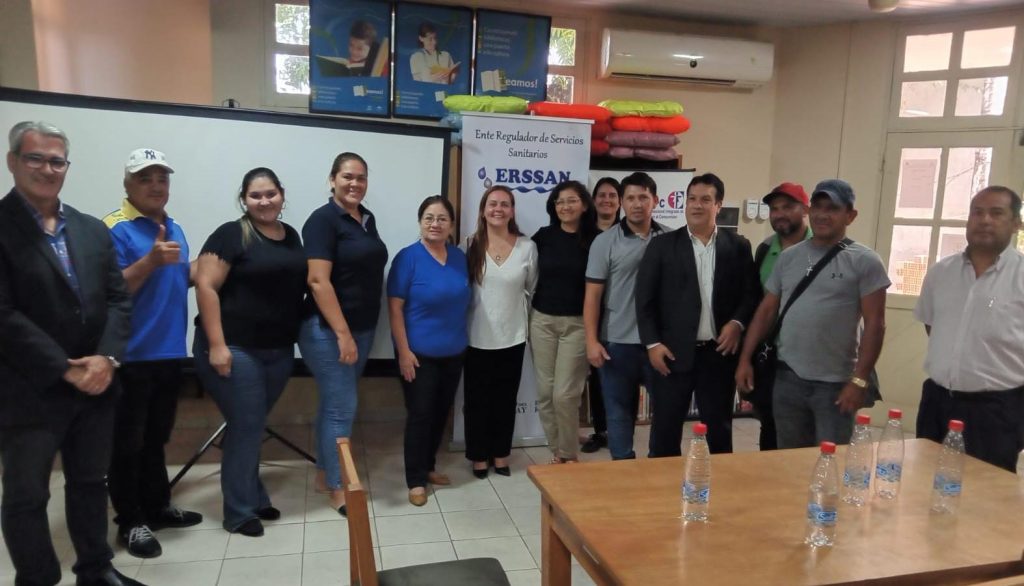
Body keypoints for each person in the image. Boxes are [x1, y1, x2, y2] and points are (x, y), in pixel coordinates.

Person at [0, 121, 139, 586]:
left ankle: (96, 570)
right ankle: (36, 579)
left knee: (89, 484)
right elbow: (3, 314)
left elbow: (118, 299)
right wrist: (64, 369)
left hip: (97, 383)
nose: (47, 169)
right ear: (12, 161)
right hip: (29, 389)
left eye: (57, 160)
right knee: (25, 495)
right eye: (35, 158)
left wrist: (107, 359)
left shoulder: (90, 229)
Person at [193, 167, 307, 536]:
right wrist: (217, 345)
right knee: (246, 425)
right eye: (255, 195)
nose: (264, 201)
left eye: (270, 193)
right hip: (234, 348)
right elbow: (205, 286)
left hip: (277, 351)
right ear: (244, 199)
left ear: (282, 194)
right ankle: (240, 512)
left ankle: (253, 495)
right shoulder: (231, 233)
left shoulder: (291, 236)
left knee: (251, 424)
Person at [736, 179, 889, 448]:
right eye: (817, 207)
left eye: (832, 208)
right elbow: (766, 311)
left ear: (850, 216)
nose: (822, 215)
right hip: (788, 378)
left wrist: (859, 380)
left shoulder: (865, 261)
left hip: (836, 385)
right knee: (788, 460)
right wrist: (745, 359)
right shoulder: (788, 257)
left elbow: (876, 324)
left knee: (830, 462)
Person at [103, 148, 202, 559]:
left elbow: (176, 282)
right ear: (128, 185)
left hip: (168, 352)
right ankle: (130, 522)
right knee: (126, 444)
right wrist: (149, 261)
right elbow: (112, 290)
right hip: (129, 356)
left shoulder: (173, 226)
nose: (156, 186)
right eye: (145, 178)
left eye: (162, 178)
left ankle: (157, 507)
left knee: (156, 439)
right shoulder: (114, 228)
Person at [637, 173, 760, 456]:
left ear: (718, 205)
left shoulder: (738, 247)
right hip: (672, 354)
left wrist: (738, 323)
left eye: (705, 199)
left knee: (718, 432)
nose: (696, 205)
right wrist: (652, 344)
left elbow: (750, 295)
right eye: (691, 199)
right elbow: (644, 300)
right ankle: (661, 491)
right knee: (664, 434)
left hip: (718, 356)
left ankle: (717, 490)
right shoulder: (662, 246)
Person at [299, 152, 388, 515]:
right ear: (332, 179)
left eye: (361, 178)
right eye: (348, 177)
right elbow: (318, 281)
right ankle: (338, 487)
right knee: (342, 406)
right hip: (327, 330)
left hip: (361, 328)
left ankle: (324, 474)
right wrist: (342, 333)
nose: (355, 184)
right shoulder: (322, 221)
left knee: (333, 404)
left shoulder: (366, 219)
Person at [914, 186, 1024, 472]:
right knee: (925, 484)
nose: (984, 220)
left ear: (1016, 223)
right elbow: (933, 326)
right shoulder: (941, 273)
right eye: (977, 212)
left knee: (984, 497)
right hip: (937, 403)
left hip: (996, 410)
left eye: (996, 213)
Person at [387, 196, 471, 506]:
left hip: (453, 351)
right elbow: (395, 309)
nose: (435, 224)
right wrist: (404, 352)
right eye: (429, 218)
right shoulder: (407, 258)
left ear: (451, 225)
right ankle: (415, 479)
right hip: (418, 354)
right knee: (420, 415)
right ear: (420, 221)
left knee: (439, 414)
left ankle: (429, 466)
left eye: (442, 219)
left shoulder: (459, 257)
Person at [584, 172, 668, 460]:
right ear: (622, 202)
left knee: (666, 413)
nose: (637, 204)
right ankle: (623, 470)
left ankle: (658, 466)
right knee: (618, 415)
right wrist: (592, 341)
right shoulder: (605, 242)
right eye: (630, 198)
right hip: (616, 344)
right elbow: (592, 296)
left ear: (655, 201)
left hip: (658, 345)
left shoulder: (671, 239)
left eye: (643, 197)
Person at [464, 186, 537, 477]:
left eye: (505, 204)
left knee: (505, 401)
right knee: (476, 401)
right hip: (476, 336)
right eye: (492, 204)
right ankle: (478, 456)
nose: (498, 209)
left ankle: (501, 454)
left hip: (513, 336)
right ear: (483, 209)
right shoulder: (469, 244)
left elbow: (532, 288)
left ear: (512, 211)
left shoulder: (527, 247)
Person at [530, 181, 598, 464]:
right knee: (545, 393)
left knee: (565, 394)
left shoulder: (596, 239)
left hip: (578, 325)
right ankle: (558, 450)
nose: (565, 207)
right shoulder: (543, 237)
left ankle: (568, 455)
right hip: (542, 321)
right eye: (559, 202)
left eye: (571, 201)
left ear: (584, 204)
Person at [745, 181, 812, 451]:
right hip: (771, 357)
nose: (779, 213)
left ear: (805, 209)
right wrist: (746, 359)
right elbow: (755, 306)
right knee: (770, 424)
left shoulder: (824, 248)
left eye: (787, 207)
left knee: (810, 430)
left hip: (811, 358)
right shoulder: (764, 250)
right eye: (774, 208)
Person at [580, 176, 625, 453]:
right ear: (593, 201)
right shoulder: (584, 233)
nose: (607, 200)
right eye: (602, 195)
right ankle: (600, 430)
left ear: (619, 201)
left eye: (612, 196)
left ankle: (619, 430)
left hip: (618, 316)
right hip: (587, 311)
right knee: (595, 377)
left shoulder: (627, 232)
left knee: (618, 375)